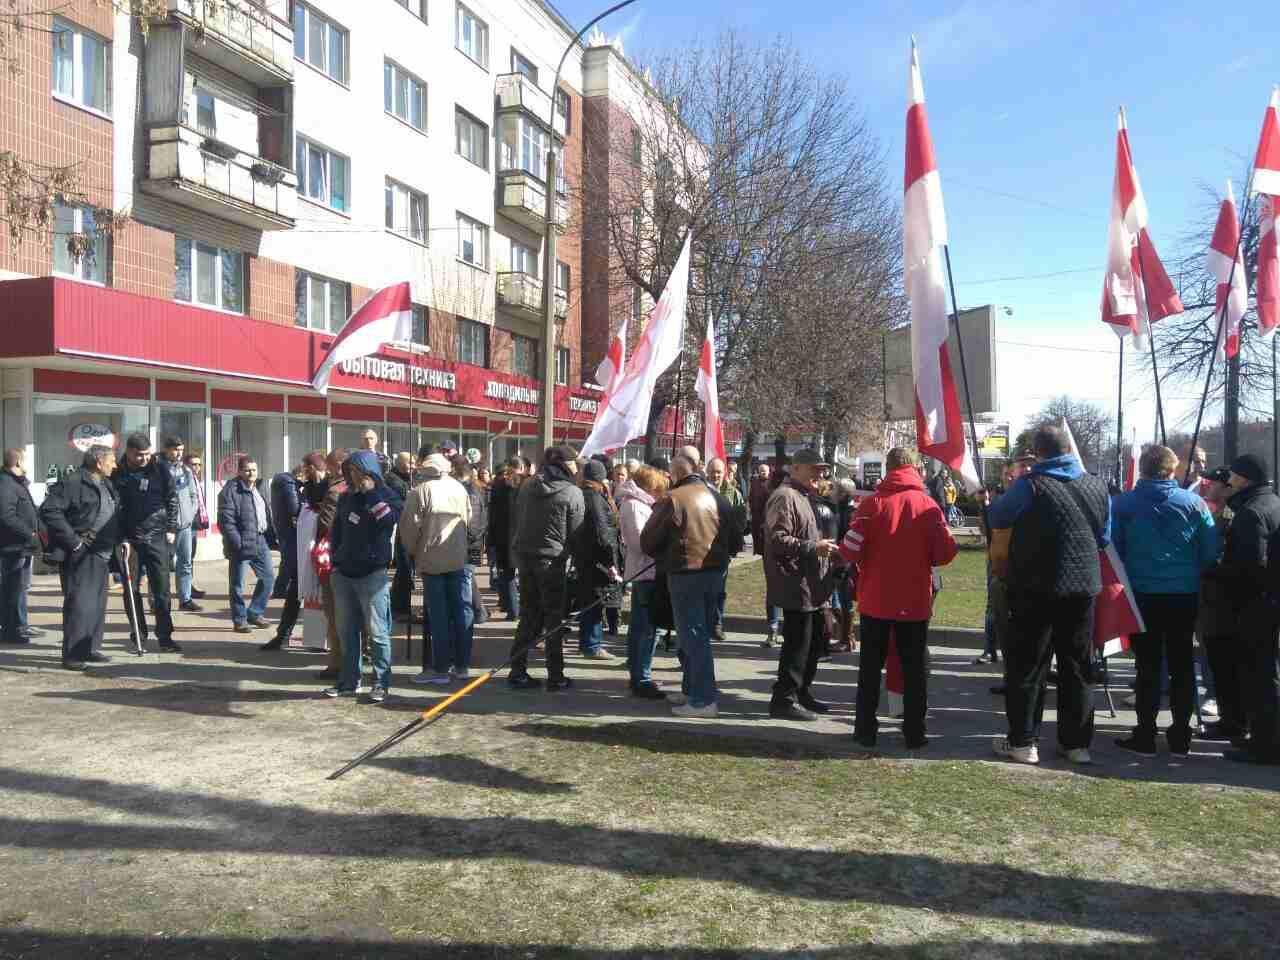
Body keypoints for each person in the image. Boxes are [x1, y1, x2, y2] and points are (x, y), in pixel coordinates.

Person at [988, 424, 1111, 766]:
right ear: (1068, 448)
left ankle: (1023, 741)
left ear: (1038, 453)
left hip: (1034, 586)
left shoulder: (1029, 485)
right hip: (1082, 587)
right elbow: (1104, 536)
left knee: (1029, 665)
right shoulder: (1096, 485)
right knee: (1078, 666)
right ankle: (1076, 744)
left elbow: (998, 516)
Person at [840, 447, 957, 746]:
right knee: (914, 671)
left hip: (875, 600)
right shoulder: (928, 505)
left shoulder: (871, 504)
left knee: (869, 669)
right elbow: (946, 553)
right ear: (915, 469)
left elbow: (850, 550)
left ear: (888, 469)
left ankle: (865, 731)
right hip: (914, 601)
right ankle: (915, 733)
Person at [1111, 445, 1218, 758]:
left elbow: (1114, 548)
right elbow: (1209, 551)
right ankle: (1181, 735)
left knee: (1148, 665)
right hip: (1183, 594)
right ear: (1172, 470)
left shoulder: (1123, 504)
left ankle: (1145, 733)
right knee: (1182, 664)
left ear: (1143, 469)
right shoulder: (1194, 503)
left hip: (1142, 593)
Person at [641, 452, 738, 718]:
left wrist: (667, 552)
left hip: (685, 572)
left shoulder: (673, 499)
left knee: (693, 636)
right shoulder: (718, 497)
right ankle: (692, 690)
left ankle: (703, 700)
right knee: (696, 635)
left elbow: (648, 541)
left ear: (675, 473)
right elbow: (736, 540)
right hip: (715, 573)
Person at [763, 449, 843, 722]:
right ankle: (784, 700)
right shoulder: (785, 496)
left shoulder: (805, 496)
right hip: (796, 584)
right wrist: (812, 547)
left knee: (813, 644)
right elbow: (777, 539)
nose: (820, 474)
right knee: (797, 646)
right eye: (814, 469)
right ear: (795, 468)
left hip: (812, 584)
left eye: (821, 469)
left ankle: (801, 693)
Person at [1213, 454, 1280, 765]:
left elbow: (1250, 566)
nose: (1229, 481)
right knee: (1264, 673)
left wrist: (1217, 572)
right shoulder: (1272, 503)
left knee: (1258, 676)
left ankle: (1265, 744)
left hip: (1255, 605)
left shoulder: (1251, 513)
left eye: (1233, 476)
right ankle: (1264, 737)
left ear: (1244, 478)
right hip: (1267, 601)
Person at [323, 450, 402, 702]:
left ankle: (380, 683)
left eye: (357, 471)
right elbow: (337, 531)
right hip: (343, 573)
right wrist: (335, 561)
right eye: (349, 471)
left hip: (372, 574)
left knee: (378, 633)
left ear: (370, 471)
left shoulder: (388, 495)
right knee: (347, 632)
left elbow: (387, 521)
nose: (353, 475)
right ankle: (349, 681)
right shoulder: (346, 497)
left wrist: (371, 493)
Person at [508, 445, 584, 690]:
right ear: (567, 465)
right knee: (554, 619)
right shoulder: (572, 492)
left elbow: (517, 520)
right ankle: (555, 675)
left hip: (525, 557)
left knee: (528, 615)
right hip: (553, 561)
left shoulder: (527, 486)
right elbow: (577, 533)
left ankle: (517, 670)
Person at [40, 445, 123, 668]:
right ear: (98, 462)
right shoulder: (72, 482)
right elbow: (49, 510)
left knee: (96, 604)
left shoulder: (106, 483)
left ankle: (90, 648)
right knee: (80, 604)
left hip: (103, 553)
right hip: (82, 553)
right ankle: (73, 656)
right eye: (111, 461)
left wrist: (121, 539)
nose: (115, 465)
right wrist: (74, 542)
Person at [400, 452, 472, 685]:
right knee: (459, 613)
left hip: (431, 559)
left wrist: (412, 552)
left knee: (439, 616)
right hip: (457, 557)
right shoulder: (459, 488)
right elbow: (468, 518)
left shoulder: (419, 491)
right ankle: (461, 665)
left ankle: (440, 669)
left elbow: (409, 529)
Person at [113, 432, 180, 653]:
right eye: (139, 455)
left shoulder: (160, 469)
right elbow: (113, 507)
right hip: (129, 540)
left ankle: (165, 637)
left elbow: (172, 498)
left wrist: (171, 527)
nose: (144, 459)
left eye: (147, 454)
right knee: (131, 590)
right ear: (129, 452)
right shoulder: (117, 472)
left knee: (162, 589)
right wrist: (120, 537)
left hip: (157, 535)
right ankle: (139, 636)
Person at [1199, 468, 1245, 741]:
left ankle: (1233, 717)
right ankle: (1229, 715)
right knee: (1214, 657)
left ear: (1226, 487)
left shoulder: (1229, 515)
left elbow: (1220, 554)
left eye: (1213, 482)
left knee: (1225, 661)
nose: (1207, 486)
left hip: (1222, 598)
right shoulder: (1213, 511)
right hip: (1212, 597)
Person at [619, 465, 668, 697]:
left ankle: (638, 673)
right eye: (656, 488)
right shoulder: (635, 506)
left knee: (642, 626)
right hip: (645, 570)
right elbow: (641, 542)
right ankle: (641, 677)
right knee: (647, 629)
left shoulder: (638, 504)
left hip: (644, 570)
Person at [218, 456, 277, 635]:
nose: (251, 473)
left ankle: (254, 613)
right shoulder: (230, 491)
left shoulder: (259, 487)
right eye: (247, 470)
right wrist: (238, 543)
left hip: (260, 540)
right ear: (239, 472)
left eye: (254, 470)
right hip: (241, 543)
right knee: (237, 584)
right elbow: (226, 522)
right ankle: (240, 620)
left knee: (268, 578)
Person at [575, 459, 623, 661]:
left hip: (584, 556)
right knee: (595, 602)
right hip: (597, 559)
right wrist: (610, 563)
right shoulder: (595, 498)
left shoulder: (581, 494)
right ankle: (592, 645)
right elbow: (602, 533)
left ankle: (587, 643)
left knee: (590, 601)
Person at [263, 457, 309, 651]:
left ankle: (285, 635)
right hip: (301, 542)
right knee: (296, 589)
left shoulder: (285, 483)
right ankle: (286, 635)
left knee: (295, 587)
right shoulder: (290, 485)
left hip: (297, 540)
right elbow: (295, 509)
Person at [313, 449, 350, 682]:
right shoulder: (361, 489)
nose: (326, 471)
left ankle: (337, 663)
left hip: (334, 559)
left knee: (335, 613)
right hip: (358, 561)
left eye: (329, 466)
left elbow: (325, 526)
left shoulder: (335, 491)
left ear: (338, 465)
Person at [0, 448, 40, 645]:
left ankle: (20, 625)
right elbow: (6, 515)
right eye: (25, 460)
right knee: (14, 588)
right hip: (13, 545)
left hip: (22, 545)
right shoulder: (6, 483)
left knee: (21, 587)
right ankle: (13, 629)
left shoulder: (17, 482)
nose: (27, 465)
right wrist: (28, 532)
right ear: (17, 463)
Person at [706, 456, 746, 642]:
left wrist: (733, 543)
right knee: (705, 590)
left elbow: (741, 521)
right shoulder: (701, 492)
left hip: (723, 549)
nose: (715, 475)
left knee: (720, 590)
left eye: (719, 472)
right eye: (712, 472)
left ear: (724, 473)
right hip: (703, 549)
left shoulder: (733, 494)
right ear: (707, 472)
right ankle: (706, 622)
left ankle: (717, 623)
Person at [162, 436, 201, 613]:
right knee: (162, 566)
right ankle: (159, 601)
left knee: (185, 564)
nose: (179, 453)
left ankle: (185, 599)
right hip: (165, 529)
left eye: (181, 450)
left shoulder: (185, 470)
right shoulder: (158, 469)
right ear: (166, 449)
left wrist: (190, 514)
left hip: (185, 526)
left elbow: (193, 495)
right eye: (175, 450)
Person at [454, 454, 489, 631]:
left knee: (465, 581)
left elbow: (473, 524)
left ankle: (475, 615)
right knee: (467, 580)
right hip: (468, 544)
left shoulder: (470, 491)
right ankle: (479, 611)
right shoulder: (470, 489)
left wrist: (464, 541)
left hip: (467, 545)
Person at [749, 462, 782, 645]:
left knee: (777, 589)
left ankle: (775, 629)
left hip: (786, 551)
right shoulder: (764, 495)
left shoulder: (789, 501)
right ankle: (773, 629)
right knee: (774, 589)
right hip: (771, 549)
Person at [487, 459, 522, 621]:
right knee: (524, 577)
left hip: (503, 537)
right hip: (521, 536)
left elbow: (493, 516)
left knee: (507, 575)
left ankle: (511, 609)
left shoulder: (499, 488)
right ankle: (515, 609)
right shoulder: (527, 487)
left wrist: (491, 540)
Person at [385, 451, 415, 621]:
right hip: (399, 528)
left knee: (405, 570)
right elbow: (404, 498)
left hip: (406, 526)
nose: (413, 466)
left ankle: (398, 605)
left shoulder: (407, 478)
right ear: (399, 463)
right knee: (404, 569)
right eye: (409, 463)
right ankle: (401, 608)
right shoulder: (393, 479)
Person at [182, 451, 209, 601]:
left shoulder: (196, 480)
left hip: (193, 523)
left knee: (189, 558)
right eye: (193, 464)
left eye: (199, 464)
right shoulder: (184, 479)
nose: (197, 467)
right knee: (185, 559)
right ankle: (186, 590)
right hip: (184, 524)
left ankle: (189, 587)